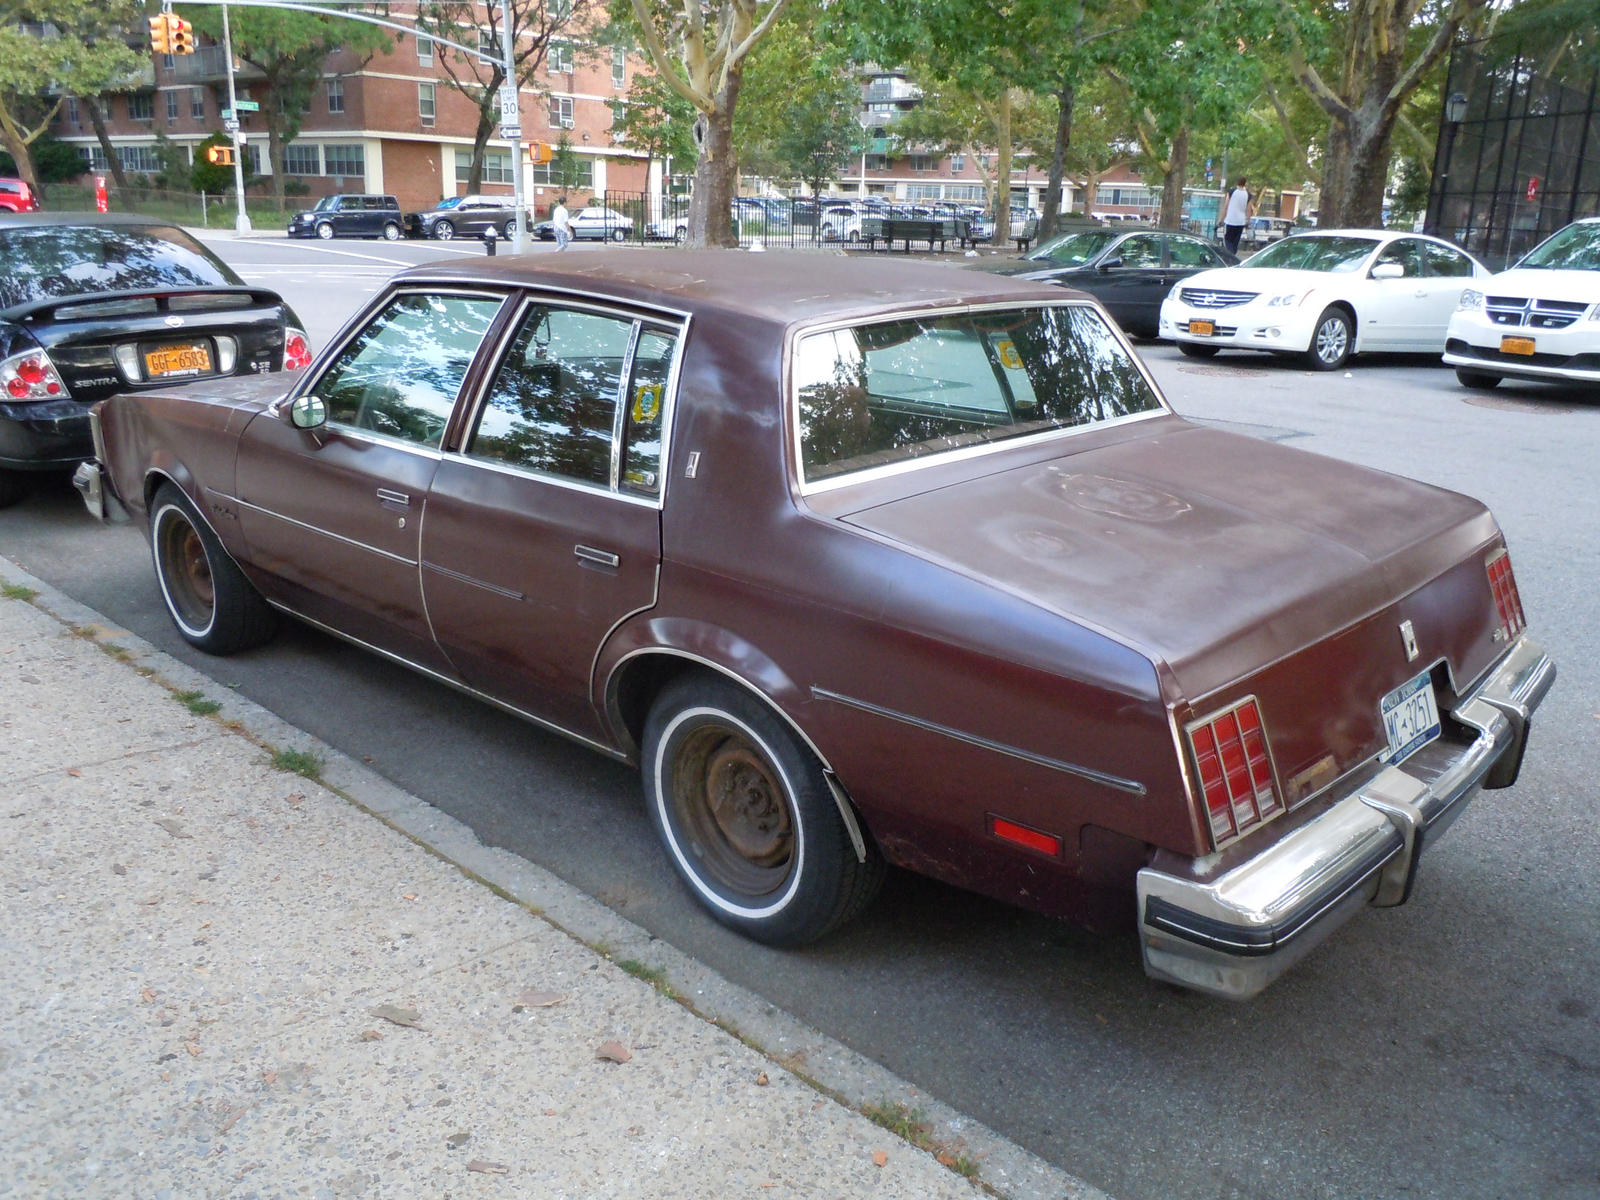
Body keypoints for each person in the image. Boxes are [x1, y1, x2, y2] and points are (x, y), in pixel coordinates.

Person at [1220, 177, 1254, 255]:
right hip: (1241, 222)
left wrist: (1221, 220)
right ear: (1245, 183)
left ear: (1237, 182)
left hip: (1230, 221)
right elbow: (1248, 210)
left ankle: (1230, 256)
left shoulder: (1231, 192)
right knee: (1235, 242)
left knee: (1228, 241)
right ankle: (1233, 256)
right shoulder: (1248, 195)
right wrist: (1248, 221)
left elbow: (1226, 206)